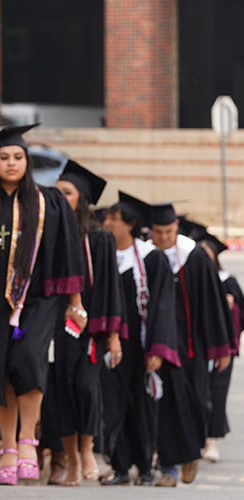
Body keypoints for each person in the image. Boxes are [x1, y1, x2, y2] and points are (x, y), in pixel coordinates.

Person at [0, 124, 85, 486]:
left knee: (28, 359)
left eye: (18, 157)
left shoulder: (48, 201)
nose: (11, 163)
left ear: (27, 162)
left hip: (38, 300)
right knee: (0, 367)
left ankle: (28, 440)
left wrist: (75, 303)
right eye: (4, 157)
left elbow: (68, 251)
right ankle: (7, 448)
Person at [40, 160, 124, 486]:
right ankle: (71, 459)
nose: (60, 198)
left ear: (82, 200)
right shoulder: (47, 234)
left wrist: (112, 335)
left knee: (86, 388)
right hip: (56, 326)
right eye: (57, 192)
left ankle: (87, 449)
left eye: (68, 193)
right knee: (60, 390)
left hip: (90, 329)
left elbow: (110, 289)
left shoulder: (100, 239)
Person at [148, 202, 233, 487]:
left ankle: (190, 452)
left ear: (176, 228)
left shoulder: (193, 256)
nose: (163, 238)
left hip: (191, 344)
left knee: (195, 402)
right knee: (164, 404)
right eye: (158, 232)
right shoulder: (146, 255)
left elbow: (213, 303)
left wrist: (221, 346)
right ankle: (169, 467)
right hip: (157, 343)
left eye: (168, 231)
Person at [99, 191, 178, 486]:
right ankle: (120, 466)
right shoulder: (103, 255)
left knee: (142, 406)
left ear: (130, 224)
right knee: (113, 403)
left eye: (113, 218)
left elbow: (163, 306)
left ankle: (145, 467)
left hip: (141, 345)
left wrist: (157, 348)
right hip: (111, 343)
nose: (107, 223)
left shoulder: (151, 259)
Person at [180, 220, 242, 463]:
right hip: (194, 345)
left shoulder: (227, 281)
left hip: (220, 344)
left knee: (216, 393)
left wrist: (231, 308)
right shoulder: (187, 278)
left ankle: (212, 440)